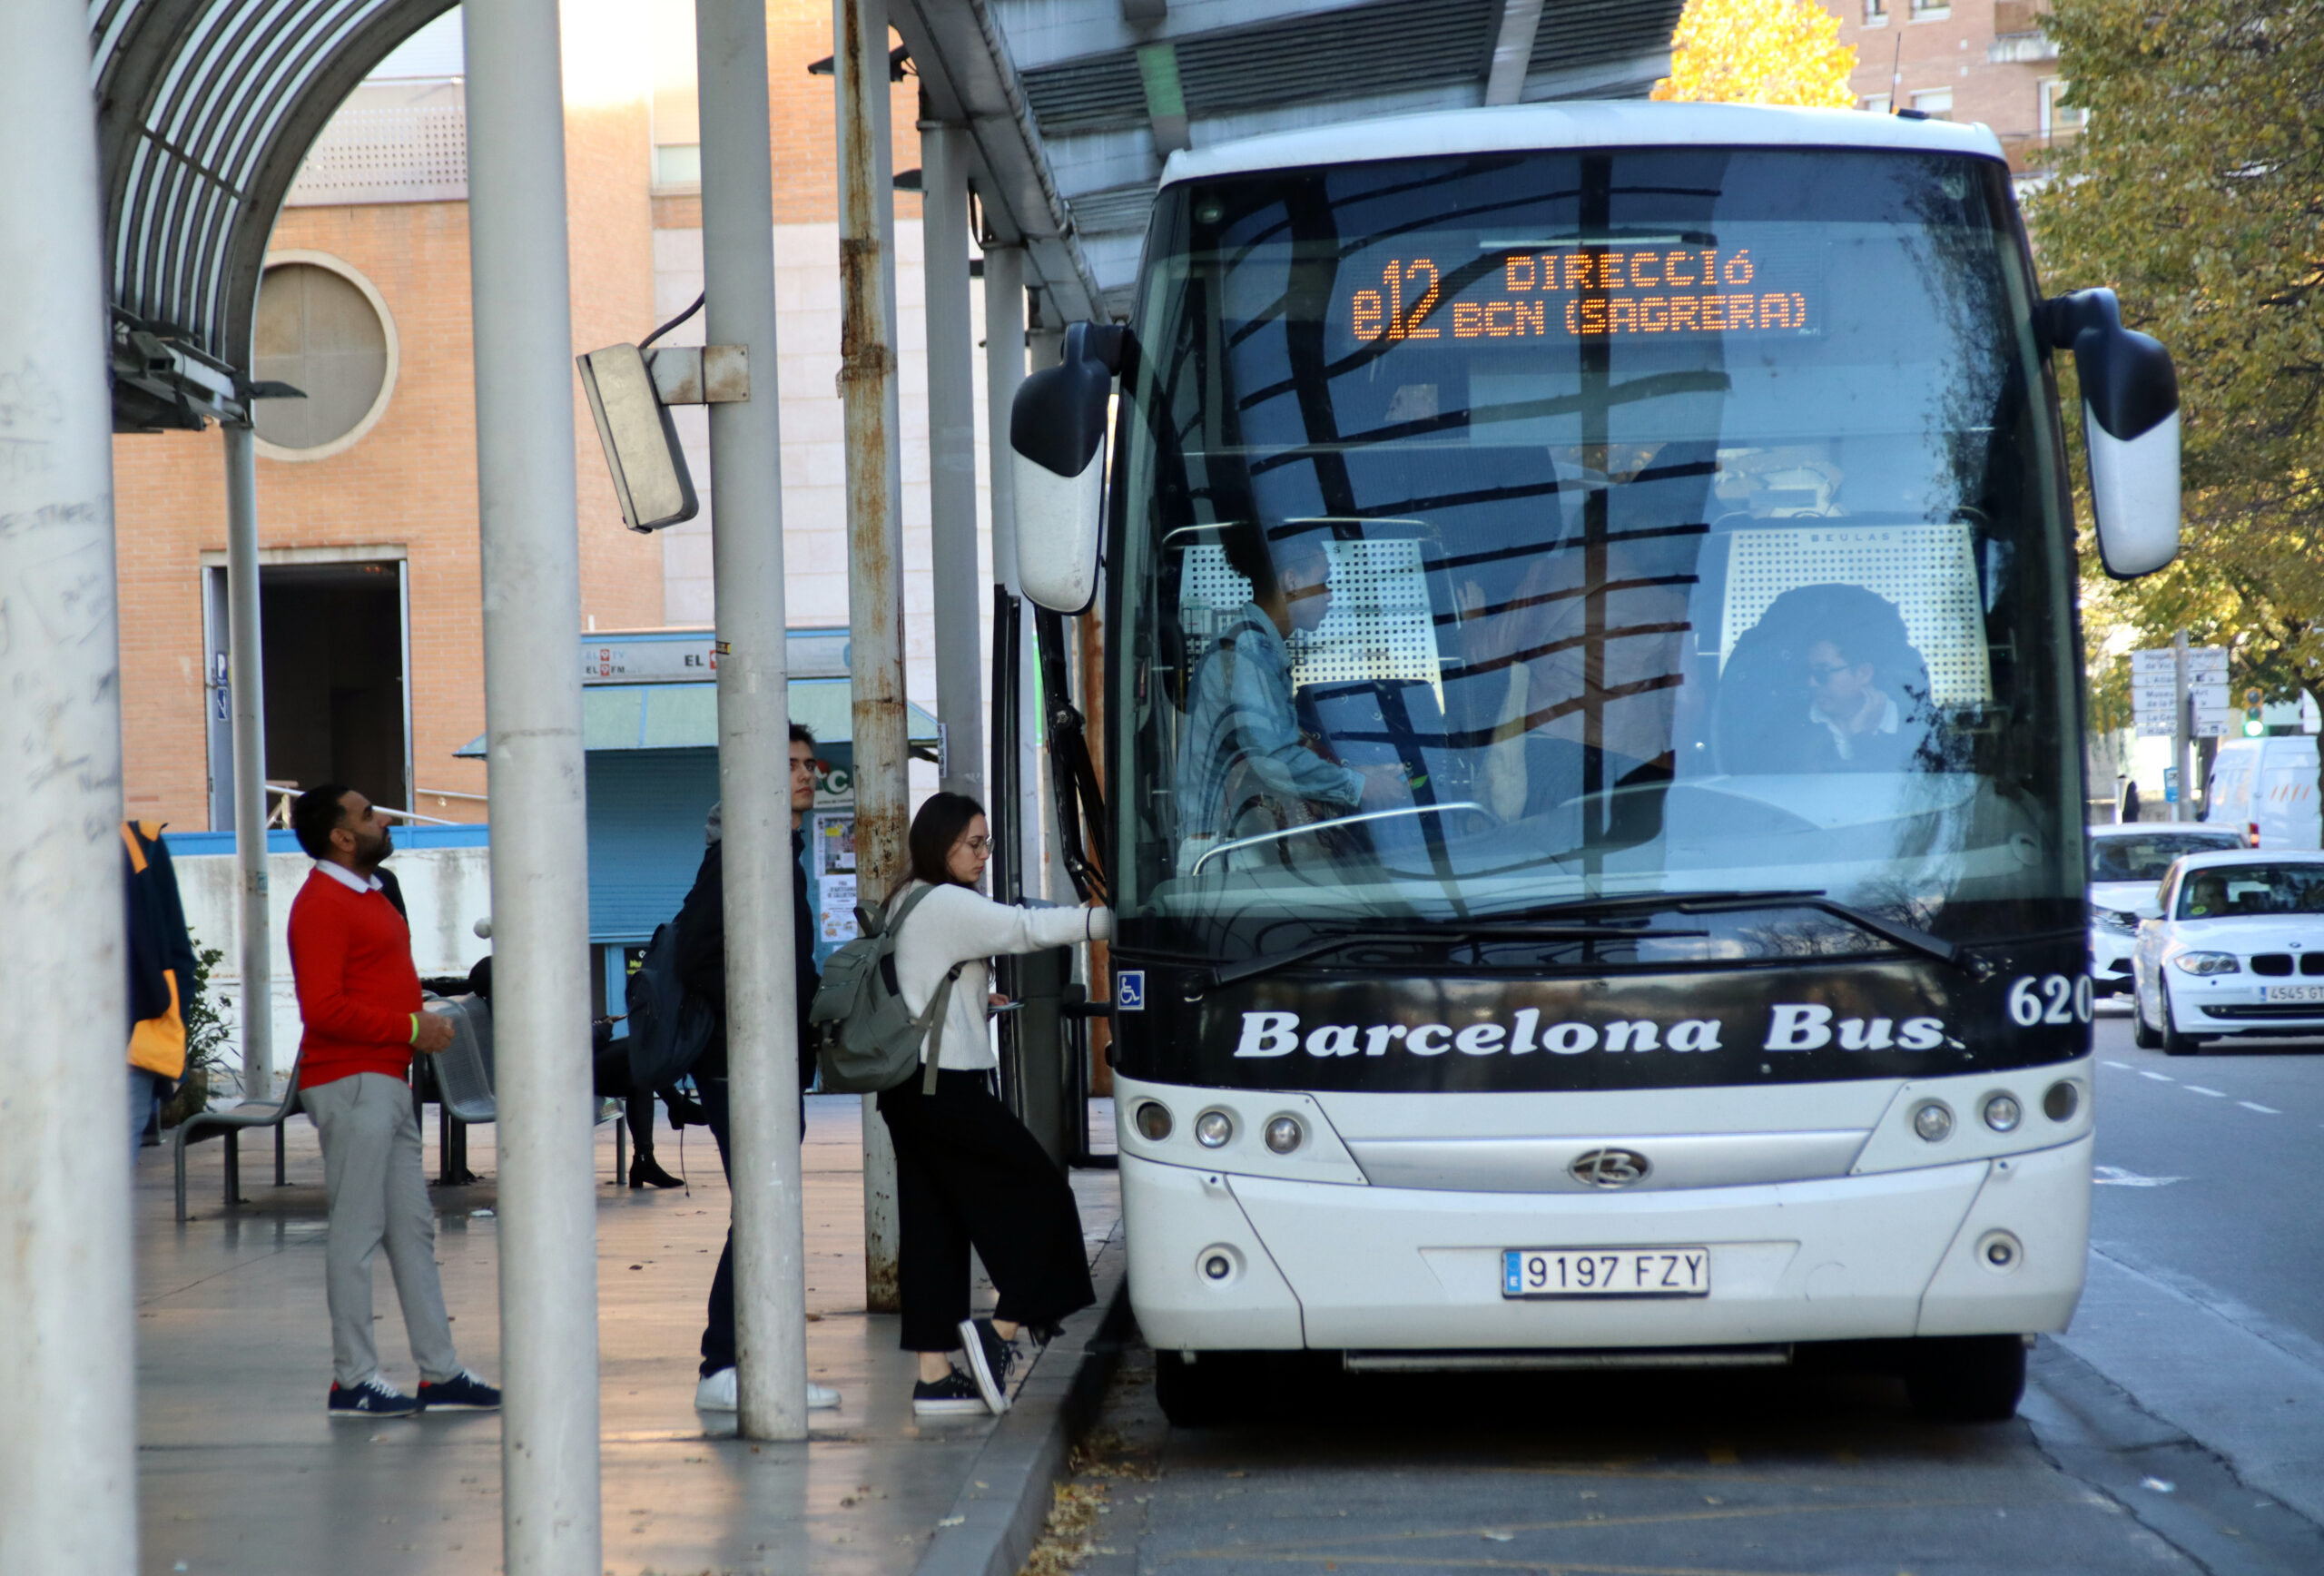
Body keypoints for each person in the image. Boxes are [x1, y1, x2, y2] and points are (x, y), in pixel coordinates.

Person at [878, 792, 1113, 1417]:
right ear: (941, 844)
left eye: (986, 842)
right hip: (945, 1087)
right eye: (972, 844)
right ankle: (1000, 1331)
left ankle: (934, 1378)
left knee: (935, 1226)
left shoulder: (907, 900)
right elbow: (1024, 928)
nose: (983, 855)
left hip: (907, 1088)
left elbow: (925, 985)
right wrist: (1106, 920)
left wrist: (977, 1004)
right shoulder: (950, 903)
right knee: (1044, 1197)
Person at [286, 784, 500, 1419]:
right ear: (341, 837)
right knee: (356, 1233)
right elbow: (321, 1009)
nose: (383, 820)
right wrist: (412, 1028)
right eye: (368, 814)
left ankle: (440, 1371)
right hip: (352, 1082)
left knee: (411, 1229)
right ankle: (352, 1377)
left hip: (384, 1080)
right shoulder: (323, 902)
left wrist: (410, 1031)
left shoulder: (367, 892)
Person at [675, 724, 839, 1413]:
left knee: (767, 1210)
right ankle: (726, 1364)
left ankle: (752, 1361)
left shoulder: (779, 849)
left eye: (808, 764)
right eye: (791, 765)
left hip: (763, 1064)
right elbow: (696, 953)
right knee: (764, 1211)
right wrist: (763, 1017)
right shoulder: (743, 853)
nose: (805, 776)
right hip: (738, 1066)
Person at [1173, 527, 1401, 862]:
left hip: (1231, 844)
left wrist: (1360, 774)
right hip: (1220, 853)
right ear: (1292, 582)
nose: (1329, 595)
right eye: (1324, 580)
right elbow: (1274, 759)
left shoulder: (1253, 646)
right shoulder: (1248, 652)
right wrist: (1357, 786)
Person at [123, 820, 199, 1157]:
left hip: (132, 1041)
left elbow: (177, 951)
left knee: (108, 1180)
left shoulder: (142, 843)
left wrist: (172, 1022)